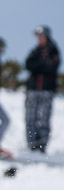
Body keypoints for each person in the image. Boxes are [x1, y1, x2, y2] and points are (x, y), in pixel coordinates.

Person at [25, 25, 60, 153]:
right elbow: (28, 64)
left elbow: (52, 67)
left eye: (41, 36)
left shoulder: (53, 51)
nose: (39, 39)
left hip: (47, 90)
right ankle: (31, 144)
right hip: (33, 89)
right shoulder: (35, 51)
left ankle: (42, 145)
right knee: (30, 117)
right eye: (37, 37)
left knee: (44, 118)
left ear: (46, 36)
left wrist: (39, 66)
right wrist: (42, 64)